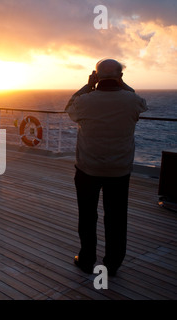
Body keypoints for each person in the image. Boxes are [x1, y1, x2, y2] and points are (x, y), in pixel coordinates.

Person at [65, 59, 148, 276]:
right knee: (116, 217)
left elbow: (69, 108)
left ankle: (86, 260)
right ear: (120, 77)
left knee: (87, 215)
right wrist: (123, 84)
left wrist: (88, 85)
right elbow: (142, 104)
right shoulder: (131, 100)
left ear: (96, 76)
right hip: (119, 170)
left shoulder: (85, 101)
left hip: (87, 169)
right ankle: (112, 264)